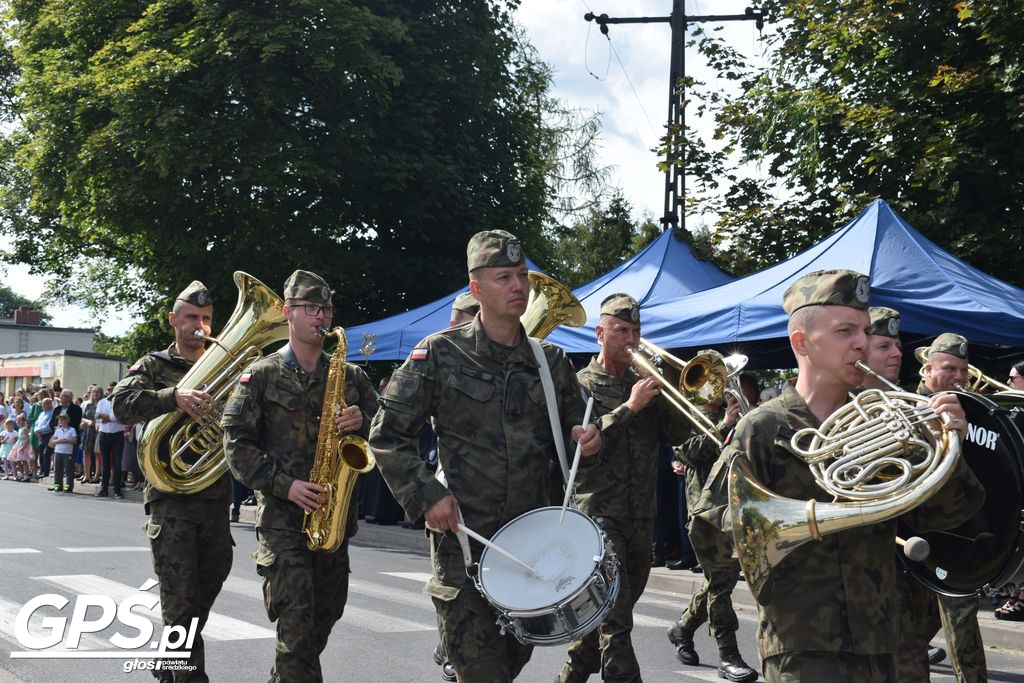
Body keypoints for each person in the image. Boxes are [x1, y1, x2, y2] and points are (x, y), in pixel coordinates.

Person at [718, 270, 983, 681]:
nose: (861, 342)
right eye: (845, 331)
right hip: (803, 646)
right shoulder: (763, 428)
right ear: (801, 342)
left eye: (862, 330)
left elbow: (949, 515)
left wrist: (948, 444)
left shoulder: (893, 416)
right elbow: (711, 531)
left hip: (890, 639)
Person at [369, 230, 600, 682]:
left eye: (521, 276)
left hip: (532, 549)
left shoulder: (549, 360)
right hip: (466, 548)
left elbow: (577, 440)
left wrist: (590, 439)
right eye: (503, 278)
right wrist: (427, 495)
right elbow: (387, 435)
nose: (518, 286)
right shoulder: (439, 353)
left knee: (510, 665)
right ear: (477, 290)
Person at [223, 269, 378, 683]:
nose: (321, 316)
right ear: (288, 312)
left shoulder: (350, 376)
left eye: (326, 308)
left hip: (333, 522)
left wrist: (364, 421)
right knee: (296, 631)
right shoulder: (261, 375)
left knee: (322, 621)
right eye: (311, 308)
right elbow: (236, 445)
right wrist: (284, 485)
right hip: (282, 523)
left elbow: (388, 430)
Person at [554, 293, 693, 683]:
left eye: (635, 331)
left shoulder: (644, 385)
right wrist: (629, 408)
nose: (630, 339)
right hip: (597, 515)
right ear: (600, 333)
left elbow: (680, 434)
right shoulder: (579, 383)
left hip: (641, 514)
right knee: (617, 624)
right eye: (620, 330)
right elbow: (582, 449)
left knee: (604, 618)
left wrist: (676, 394)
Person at [110, 280, 232, 683]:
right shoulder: (152, 365)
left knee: (205, 592)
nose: (200, 325)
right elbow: (122, 404)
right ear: (173, 320)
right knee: (180, 601)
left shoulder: (226, 364)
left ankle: (169, 667)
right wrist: (173, 396)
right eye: (192, 318)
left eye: (207, 319)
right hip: (171, 500)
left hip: (215, 499)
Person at [668, 381, 759, 682]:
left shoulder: (739, 414)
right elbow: (688, 453)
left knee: (722, 579)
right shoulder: (687, 414)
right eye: (715, 381)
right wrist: (724, 425)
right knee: (720, 582)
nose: (721, 389)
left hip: (736, 508)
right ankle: (728, 655)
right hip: (705, 513)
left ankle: (683, 627)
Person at [916, 333, 988, 683]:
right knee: (910, 627)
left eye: (963, 369)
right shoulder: (903, 405)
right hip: (913, 538)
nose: (959, 377)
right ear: (927, 369)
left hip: (957, 532)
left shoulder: (972, 408)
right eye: (949, 368)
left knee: (961, 617)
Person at [94, 385, 125, 498]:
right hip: (104, 434)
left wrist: (104, 417)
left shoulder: (120, 403)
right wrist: (107, 418)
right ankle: (104, 489)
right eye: (108, 390)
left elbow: (117, 417)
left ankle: (117, 490)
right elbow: (97, 418)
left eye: (112, 390)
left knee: (117, 463)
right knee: (105, 463)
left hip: (117, 435)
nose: (109, 391)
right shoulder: (102, 402)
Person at [49, 412, 77, 493]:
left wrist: (67, 440)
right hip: (58, 451)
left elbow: (75, 441)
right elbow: (53, 442)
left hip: (68, 452)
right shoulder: (58, 430)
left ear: (67, 420)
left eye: (63, 419)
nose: (61, 421)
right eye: (60, 420)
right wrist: (59, 440)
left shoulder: (72, 430)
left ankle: (68, 486)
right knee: (58, 469)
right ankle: (57, 485)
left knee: (68, 470)